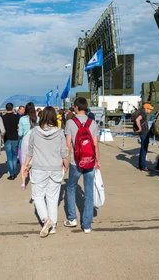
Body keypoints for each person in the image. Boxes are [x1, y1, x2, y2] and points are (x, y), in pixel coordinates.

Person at [22, 107, 68, 238]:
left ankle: (46, 219)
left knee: (38, 196)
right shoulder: (60, 132)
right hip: (55, 168)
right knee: (53, 198)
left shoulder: (35, 132)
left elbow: (30, 151)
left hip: (38, 168)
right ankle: (52, 227)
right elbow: (63, 151)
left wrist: (25, 165)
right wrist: (66, 164)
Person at [64, 97, 100, 233]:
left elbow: (68, 145)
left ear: (77, 107)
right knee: (89, 191)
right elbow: (95, 144)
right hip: (90, 160)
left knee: (71, 187)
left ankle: (72, 218)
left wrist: (65, 161)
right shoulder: (93, 123)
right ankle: (87, 225)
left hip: (76, 161)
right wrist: (98, 161)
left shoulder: (70, 123)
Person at [18, 102, 38, 190]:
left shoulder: (22, 119)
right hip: (36, 140)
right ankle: (35, 181)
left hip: (26, 140)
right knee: (35, 162)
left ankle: (23, 183)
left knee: (24, 162)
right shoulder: (38, 118)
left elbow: (20, 133)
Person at [2, 102, 20, 180]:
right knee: (14, 155)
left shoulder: (3, 117)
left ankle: (11, 173)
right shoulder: (17, 117)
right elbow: (18, 127)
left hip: (7, 137)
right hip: (15, 137)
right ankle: (15, 172)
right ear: (12, 108)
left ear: (6, 108)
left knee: (9, 156)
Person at [135, 103, 153, 172]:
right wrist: (140, 128)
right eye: (150, 109)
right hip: (144, 132)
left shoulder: (141, 112)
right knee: (144, 149)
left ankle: (141, 166)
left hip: (143, 132)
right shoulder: (143, 113)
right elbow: (137, 120)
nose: (151, 111)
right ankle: (143, 166)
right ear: (146, 108)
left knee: (143, 148)